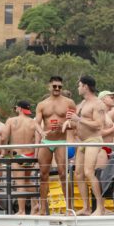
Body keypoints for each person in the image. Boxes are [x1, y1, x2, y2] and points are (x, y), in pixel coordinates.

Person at [65, 76, 108, 216]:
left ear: (85, 86)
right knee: (78, 173)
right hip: (82, 141)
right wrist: (69, 123)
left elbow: (99, 124)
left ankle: (100, 207)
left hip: (93, 140)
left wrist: (79, 119)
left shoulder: (98, 104)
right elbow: (79, 122)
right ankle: (86, 207)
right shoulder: (82, 103)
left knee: (89, 172)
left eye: (79, 85)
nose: (77, 88)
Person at [35, 76, 77, 214]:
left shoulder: (69, 103)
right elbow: (35, 122)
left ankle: (69, 207)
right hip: (46, 141)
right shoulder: (42, 104)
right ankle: (42, 208)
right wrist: (41, 132)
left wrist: (65, 125)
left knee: (63, 173)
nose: (57, 89)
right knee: (43, 174)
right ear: (49, 86)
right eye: (55, 86)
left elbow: (75, 123)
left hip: (61, 141)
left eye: (60, 86)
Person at [1, 100, 38, 215]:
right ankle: (37, 203)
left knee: (20, 183)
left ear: (19, 109)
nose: (15, 109)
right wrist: (35, 158)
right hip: (30, 155)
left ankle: (21, 210)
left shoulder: (11, 121)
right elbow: (37, 141)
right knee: (27, 182)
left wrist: (4, 151)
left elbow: (4, 138)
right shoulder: (33, 122)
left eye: (15, 108)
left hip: (18, 155)